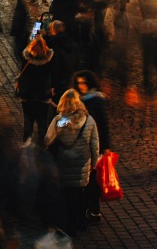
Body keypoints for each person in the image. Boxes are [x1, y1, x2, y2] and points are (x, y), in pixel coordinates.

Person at [44, 89, 102, 234]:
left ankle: (68, 225)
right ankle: (80, 221)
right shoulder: (89, 120)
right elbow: (95, 145)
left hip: (63, 164)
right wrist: (93, 164)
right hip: (82, 165)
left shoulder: (59, 121)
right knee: (79, 194)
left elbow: (46, 140)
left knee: (65, 195)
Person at [72, 72, 112, 220]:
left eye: (84, 83)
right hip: (82, 145)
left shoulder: (96, 100)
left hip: (94, 146)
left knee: (92, 180)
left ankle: (93, 210)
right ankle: (89, 208)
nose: (81, 86)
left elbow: (103, 125)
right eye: (79, 83)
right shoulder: (78, 100)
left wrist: (106, 147)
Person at [16, 39, 56, 139]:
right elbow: (53, 75)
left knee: (28, 120)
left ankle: (26, 143)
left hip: (27, 95)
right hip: (43, 95)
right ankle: (43, 144)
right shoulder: (49, 61)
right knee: (42, 121)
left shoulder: (26, 60)